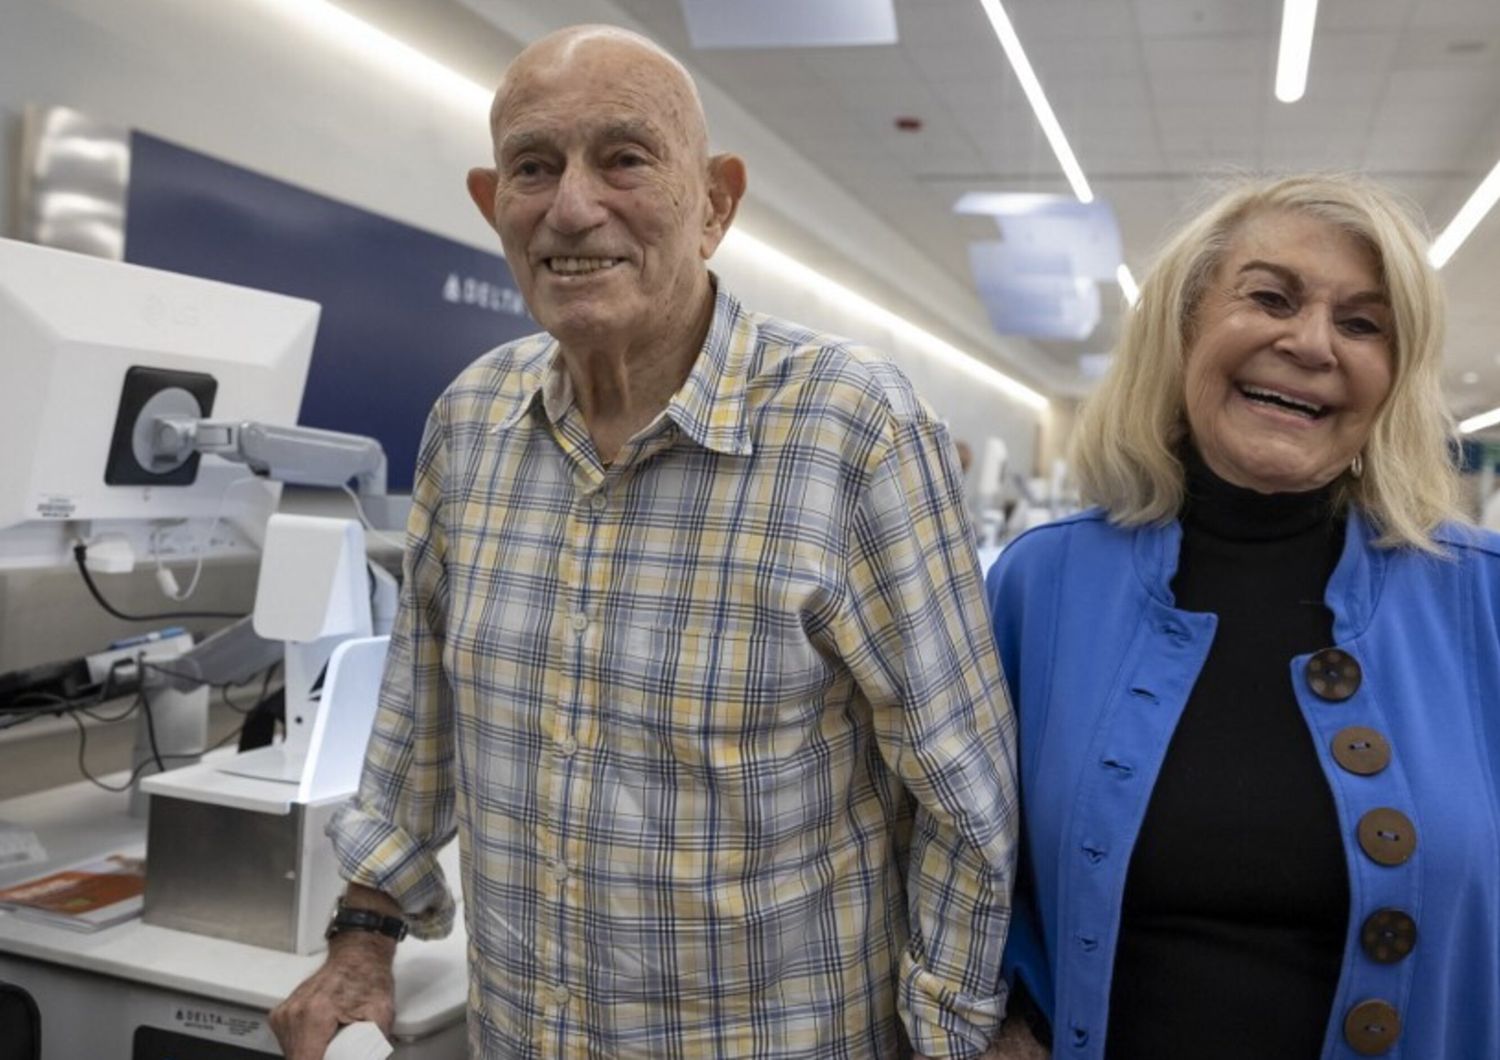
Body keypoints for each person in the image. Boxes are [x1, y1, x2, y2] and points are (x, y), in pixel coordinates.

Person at [270, 24, 1018, 1060]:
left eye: (624, 158)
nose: (573, 207)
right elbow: (418, 715)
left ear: (716, 202)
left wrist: (952, 1038)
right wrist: (363, 938)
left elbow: (964, 802)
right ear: (495, 206)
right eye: (535, 167)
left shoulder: (853, 430)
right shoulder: (468, 423)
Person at [986, 173, 1500, 1058]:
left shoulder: (1480, 601)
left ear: (1394, 376)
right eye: (1270, 297)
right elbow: (961, 870)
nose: (1310, 344)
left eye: (1362, 323)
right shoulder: (1046, 586)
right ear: (1184, 327)